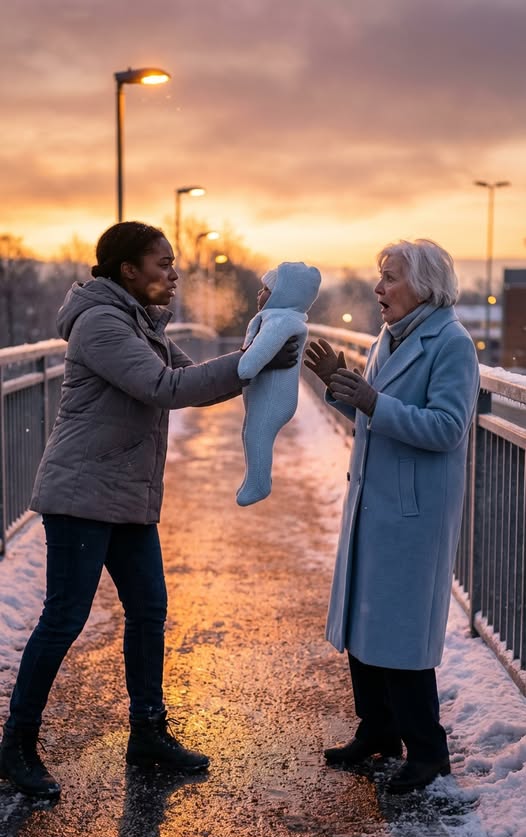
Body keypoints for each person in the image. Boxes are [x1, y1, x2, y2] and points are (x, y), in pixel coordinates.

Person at [0, 221, 298, 800]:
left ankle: (147, 733)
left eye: (173, 263)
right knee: (64, 618)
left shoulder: (139, 322)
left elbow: (195, 382)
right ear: (126, 270)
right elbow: (163, 386)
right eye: (161, 264)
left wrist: (257, 354)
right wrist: (250, 360)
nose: (174, 273)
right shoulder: (102, 323)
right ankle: (14, 746)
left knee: (149, 609)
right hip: (83, 494)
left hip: (126, 495)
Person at [304, 238, 480, 794]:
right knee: (366, 620)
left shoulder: (451, 343)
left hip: (413, 510)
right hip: (374, 502)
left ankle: (428, 752)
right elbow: (371, 410)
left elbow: (447, 428)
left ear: (425, 286)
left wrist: (373, 400)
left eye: (390, 278)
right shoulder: (392, 335)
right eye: (380, 277)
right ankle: (377, 732)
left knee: (400, 634)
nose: (378, 288)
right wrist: (341, 385)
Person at [236, 262, 321, 506]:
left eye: (265, 289)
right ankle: (254, 479)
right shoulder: (277, 319)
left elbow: (248, 365)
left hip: (275, 398)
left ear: (283, 295)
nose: (258, 294)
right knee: (250, 433)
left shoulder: (281, 322)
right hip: (268, 396)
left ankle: (259, 484)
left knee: (256, 435)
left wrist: (243, 358)